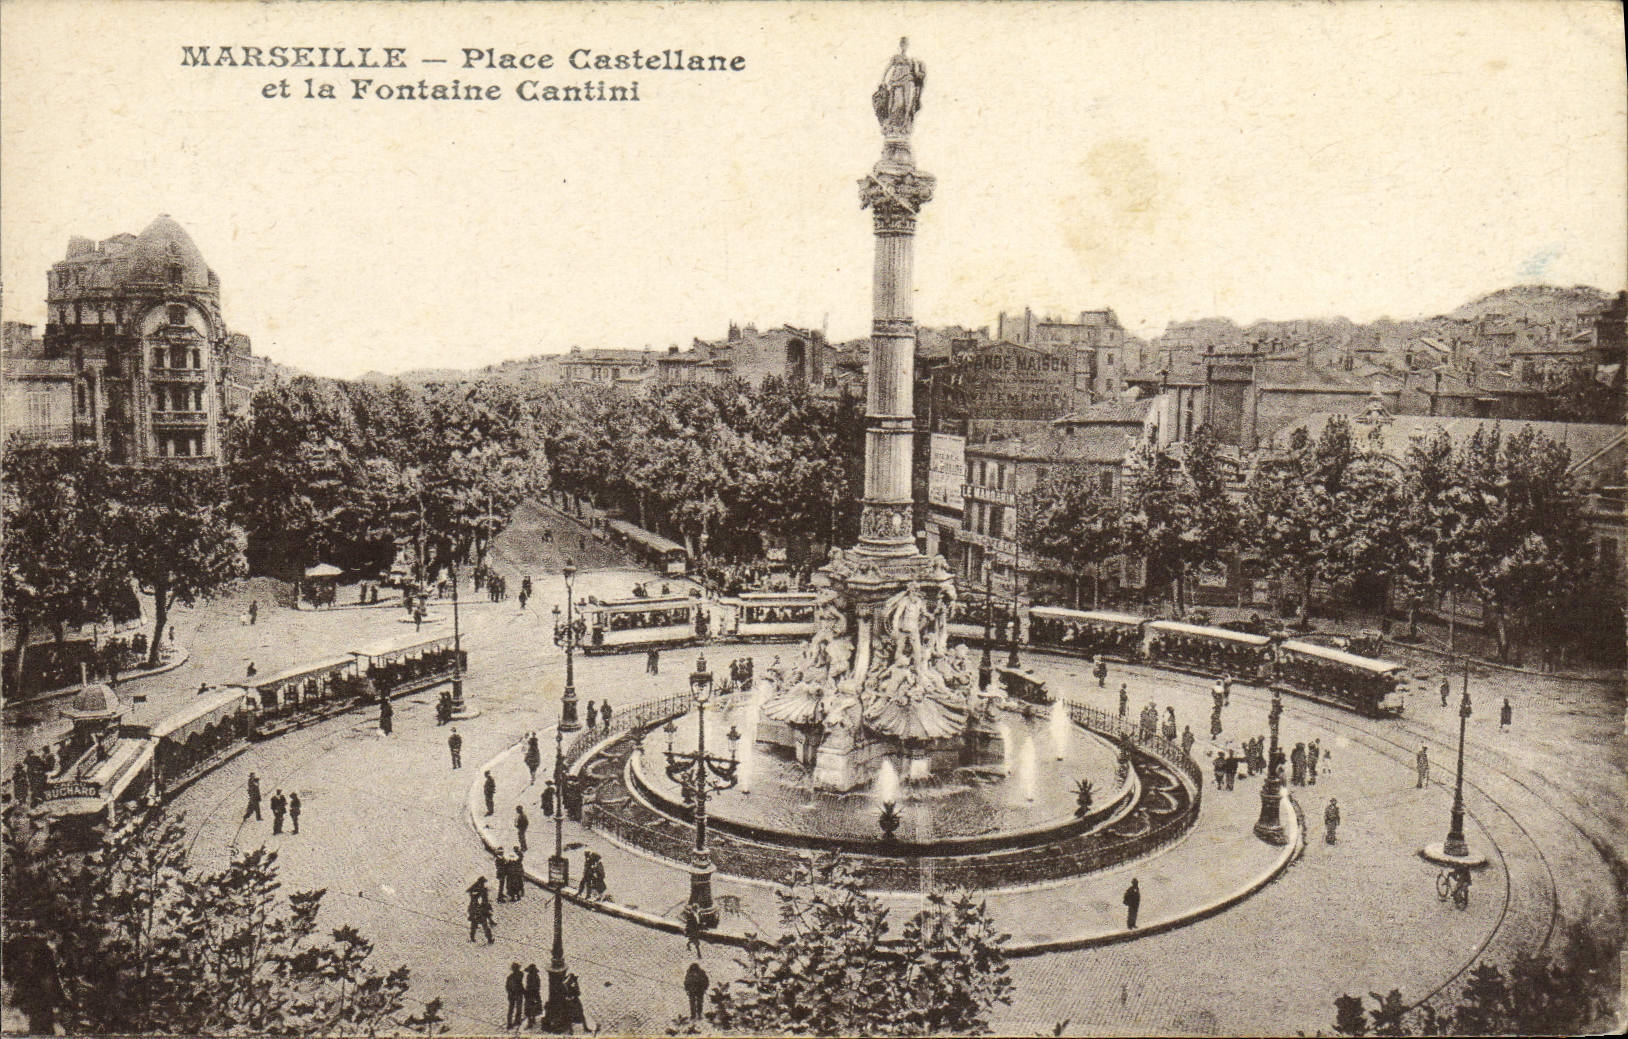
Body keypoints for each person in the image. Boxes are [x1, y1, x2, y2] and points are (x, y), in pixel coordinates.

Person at [505, 963, 526, 1028]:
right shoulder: (519, 975)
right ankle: (516, 1021)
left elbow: (507, 987)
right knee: (517, 1008)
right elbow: (520, 984)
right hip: (517, 994)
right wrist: (524, 992)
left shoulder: (510, 977)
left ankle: (510, 1023)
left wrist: (510, 993)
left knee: (512, 1008)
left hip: (513, 994)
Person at [524, 964, 543, 1029]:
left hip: (531, 994)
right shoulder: (535, 976)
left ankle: (530, 1022)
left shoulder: (532, 977)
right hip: (534, 994)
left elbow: (534, 986)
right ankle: (533, 1019)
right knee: (533, 1008)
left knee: (529, 1008)